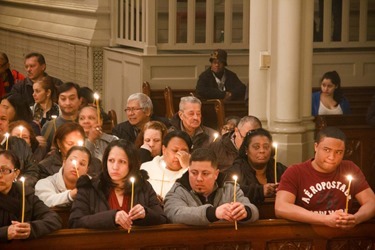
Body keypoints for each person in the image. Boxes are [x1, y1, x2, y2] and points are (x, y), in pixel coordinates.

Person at [275, 127, 375, 229]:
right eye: (327, 150)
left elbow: (371, 202)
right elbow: (281, 207)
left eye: (339, 152)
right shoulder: (295, 172)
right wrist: (325, 219)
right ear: (316, 147)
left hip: (343, 234)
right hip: (307, 234)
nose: (332, 157)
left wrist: (355, 219)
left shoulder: (350, 168)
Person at [69, 139, 167, 230]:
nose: (115, 167)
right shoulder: (89, 187)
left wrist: (146, 213)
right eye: (111, 160)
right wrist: (112, 217)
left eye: (122, 162)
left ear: (131, 164)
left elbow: (162, 219)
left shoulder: (144, 187)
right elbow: (75, 222)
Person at [164, 148, 259, 226]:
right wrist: (213, 213)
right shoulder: (177, 191)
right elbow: (175, 214)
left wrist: (245, 212)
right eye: (194, 173)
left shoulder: (229, 189)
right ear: (188, 171)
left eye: (205, 173)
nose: (199, 178)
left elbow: (254, 211)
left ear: (216, 174)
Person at [0, 150, 62, 242]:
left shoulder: (26, 194)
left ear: (16, 174)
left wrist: (31, 228)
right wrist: (4, 233)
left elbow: (54, 219)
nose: (0, 175)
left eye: (4, 170)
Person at [225, 128, 287, 206]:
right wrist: (260, 191)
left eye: (266, 147)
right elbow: (229, 193)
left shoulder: (279, 169)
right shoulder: (236, 170)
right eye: (256, 147)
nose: (262, 150)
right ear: (246, 150)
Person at [140, 130, 192, 199]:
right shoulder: (147, 168)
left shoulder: (194, 172)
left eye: (184, 151)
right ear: (164, 149)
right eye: (175, 150)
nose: (179, 155)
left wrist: (187, 168)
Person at [0, 106, 39, 187]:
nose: (0, 122)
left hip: (18, 194)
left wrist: (14, 187)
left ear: (8, 123)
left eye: (3, 119)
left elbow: (32, 172)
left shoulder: (21, 144)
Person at [41, 82, 82, 149]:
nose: (67, 103)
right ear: (58, 101)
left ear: (80, 101)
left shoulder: (85, 123)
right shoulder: (49, 127)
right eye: (63, 99)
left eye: (72, 98)